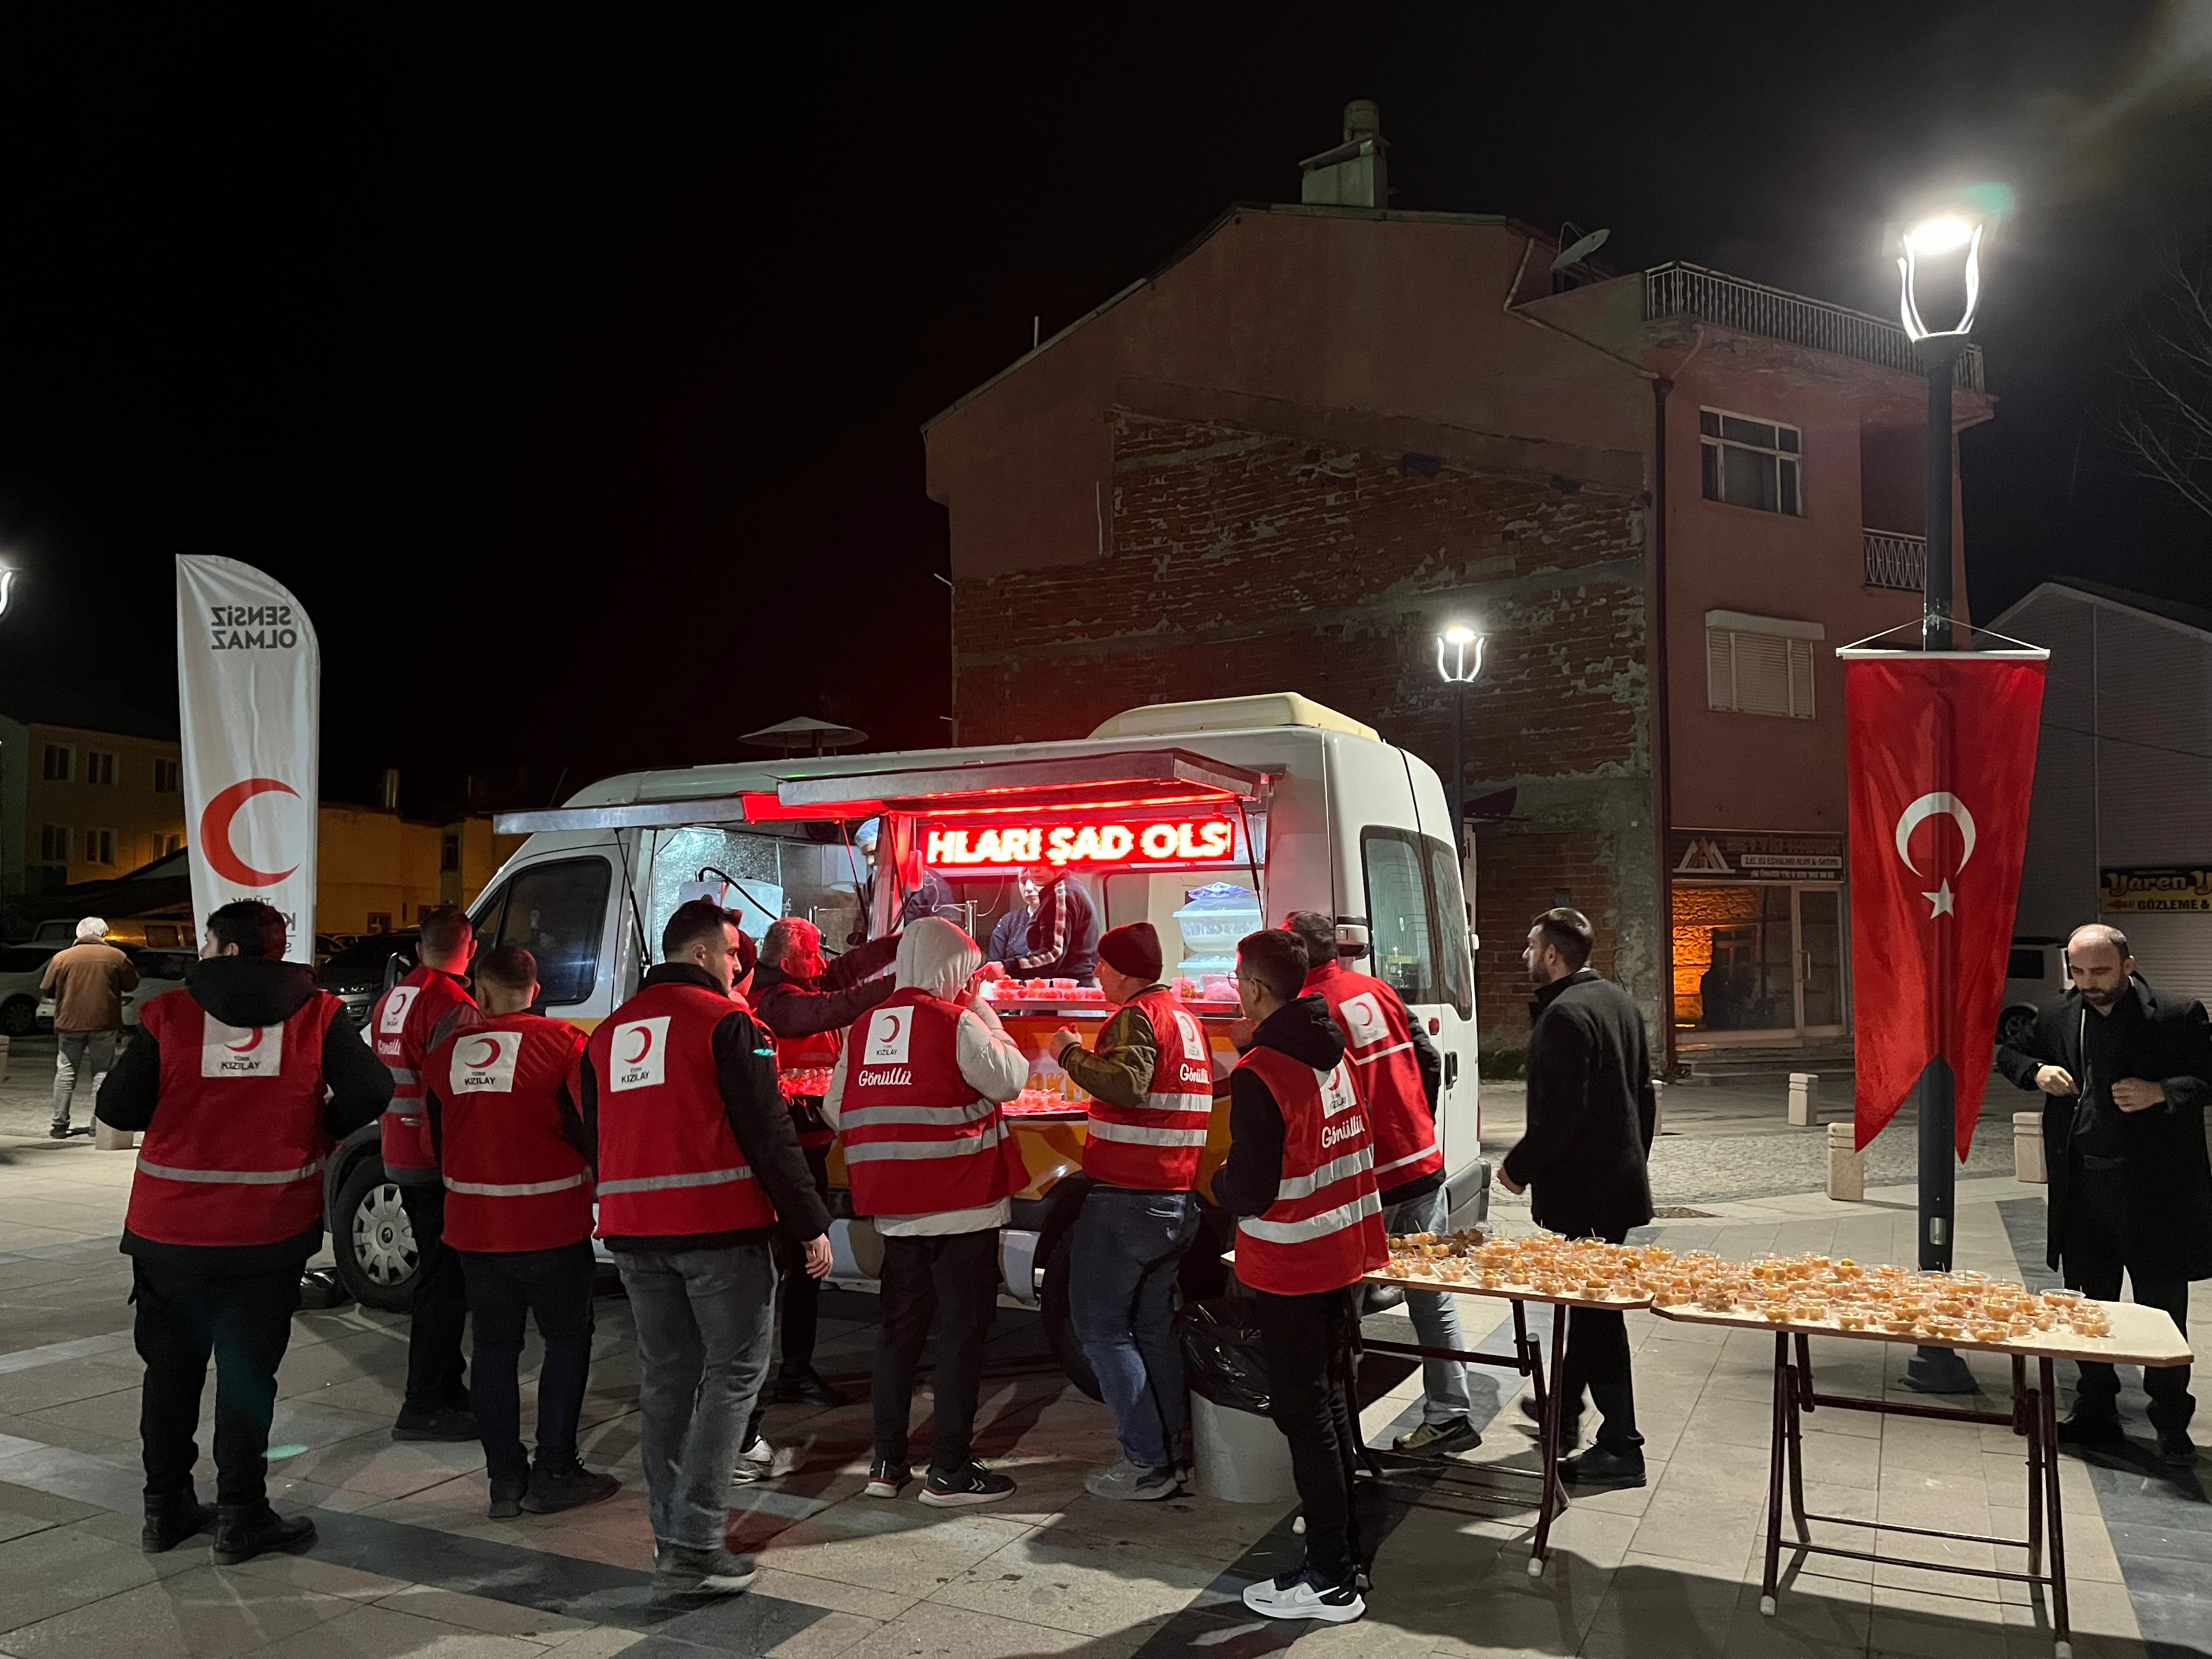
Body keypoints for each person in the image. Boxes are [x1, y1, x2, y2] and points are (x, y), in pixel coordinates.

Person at [94, 900, 392, 1564]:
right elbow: (372, 1090)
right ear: (274, 948)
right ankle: (241, 1515)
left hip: (168, 1229)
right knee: (248, 1374)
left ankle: (165, 1508)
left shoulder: (170, 1014)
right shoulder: (318, 1015)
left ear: (224, 949)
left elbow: (116, 1107)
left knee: (169, 1373)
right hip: (268, 1230)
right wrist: (321, 1128)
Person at [577, 899, 833, 1606]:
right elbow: (768, 1130)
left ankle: (671, 1535)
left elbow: (591, 1132)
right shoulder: (729, 1025)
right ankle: (694, 1545)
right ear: (699, 955)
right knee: (732, 1378)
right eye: (731, 954)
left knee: (665, 1382)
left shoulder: (608, 1035)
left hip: (633, 1232)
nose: (737, 966)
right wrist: (810, 1222)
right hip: (718, 1229)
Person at [821, 916, 1028, 1505]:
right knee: (962, 1338)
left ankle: (887, 1465)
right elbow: (1010, 1080)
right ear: (953, 970)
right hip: (963, 1207)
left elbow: (838, 1107)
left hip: (896, 1211)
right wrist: (986, 1012)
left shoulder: (865, 1027)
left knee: (898, 1335)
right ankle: (949, 1471)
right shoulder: (957, 1021)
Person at [1996, 923, 2212, 1465]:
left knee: (2161, 1314)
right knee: (2088, 1309)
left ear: (2128, 964)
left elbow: (2208, 1076)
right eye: (2079, 972)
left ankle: (2169, 1423)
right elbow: (2006, 1053)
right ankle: (2095, 1410)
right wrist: (2036, 1070)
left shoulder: (2176, 1014)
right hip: (2083, 1191)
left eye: (2101, 971)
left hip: (2153, 1195)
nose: (2090, 983)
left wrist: (2162, 1091)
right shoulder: (2058, 1016)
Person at [1215, 927, 1381, 1625]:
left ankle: (1331, 1577)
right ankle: (1342, 1542)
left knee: (1303, 1411)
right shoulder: (1328, 1048)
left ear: (1254, 988)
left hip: (1291, 1260)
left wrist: (1221, 1182)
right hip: (1342, 1251)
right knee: (1333, 1398)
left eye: (1238, 981)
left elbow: (1251, 1188)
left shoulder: (1261, 1070)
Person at [423, 945, 619, 1519]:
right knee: (565, 1340)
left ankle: (504, 1478)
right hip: (551, 1225)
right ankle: (555, 1468)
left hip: (475, 1230)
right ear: (535, 990)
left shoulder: (445, 1055)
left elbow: (438, 1145)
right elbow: (593, 1131)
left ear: (480, 993)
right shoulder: (565, 1045)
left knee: (493, 1349)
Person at [1283, 911, 1476, 1457]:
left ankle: (1341, 1439)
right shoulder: (1378, 991)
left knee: (1343, 1308)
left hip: (1364, 1180)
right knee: (1429, 1296)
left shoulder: (1309, 1012)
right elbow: (1427, 1060)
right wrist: (1417, 1126)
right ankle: (1450, 1412)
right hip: (1418, 1164)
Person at [1042, 921, 1210, 1499]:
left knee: (1101, 1330)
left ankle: (1145, 1463)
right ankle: (1172, 1451)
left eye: (1102, 967)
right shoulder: (1185, 1019)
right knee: (1151, 1330)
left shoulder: (1137, 1018)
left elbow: (1129, 1084)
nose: (1097, 976)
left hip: (1128, 1201)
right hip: (1174, 1198)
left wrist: (1068, 1053)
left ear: (1120, 970)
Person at [1499, 907, 1656, 1488]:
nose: (1524, 955)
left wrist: (1517, 1169)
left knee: (1595, 1317)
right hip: (1614, 1185)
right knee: (1588, 1307)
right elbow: (1645, 1097)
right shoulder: (1616, 1001)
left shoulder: (1565, 1016)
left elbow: (1559, 1118)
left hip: (1587, 1192)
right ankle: (1561, 1411)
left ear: (1551, 955)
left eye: (1529, 945)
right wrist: (1634, 1161)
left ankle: (1622, 1445)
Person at [751, 916, 901, 1408]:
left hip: (806, 1147)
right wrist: (906, 979)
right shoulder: (775, 1003)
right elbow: (835, 1007)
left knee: (798, 1272)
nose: (823, 962)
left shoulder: (794, 982)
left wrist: (902, 943)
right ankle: (789, 1374)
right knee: (797, 1270)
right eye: (814, 953)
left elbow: (845, 973)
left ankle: (790, 1370)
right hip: (787, 1156)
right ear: (791, 960)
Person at [369, 906, 483, 1443]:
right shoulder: (453, 1004)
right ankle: (424, 1402)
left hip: (397, 1143)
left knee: (439, 1277)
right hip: (433, 1156)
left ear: (419, 949)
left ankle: (446, 1387)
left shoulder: (395, 997)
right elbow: (453, 1090)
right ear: (471, 948)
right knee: (443, 1283)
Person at [41, 916, 138, 1138]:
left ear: (79, 934)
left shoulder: (62, 958)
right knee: (102, 1072)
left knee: (66, 1070)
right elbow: (132, 983)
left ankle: (59, 1124)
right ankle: (98, 1125)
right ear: (103, 935)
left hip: (70, 1022)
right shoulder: (117, 957)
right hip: (104, 1022)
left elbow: (46, 988)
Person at [1005, 864, 1099, 984]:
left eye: (1045, 862)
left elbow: (1052, 955)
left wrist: (1006, 967)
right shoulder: (1069, 888)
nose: (1036, 868)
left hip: (1066, 990)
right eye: (1030, 862)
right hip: (1069, 988)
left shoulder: (1061, 894)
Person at [986, 873, 1039, 967]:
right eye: (1023, 881)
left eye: (1036, 879)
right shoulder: (1009, 921)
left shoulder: (1068, 919)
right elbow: (994, 968)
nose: (1028, 888)